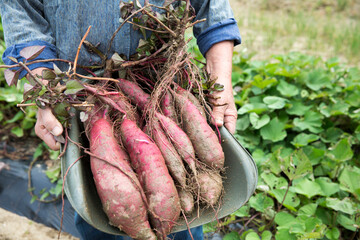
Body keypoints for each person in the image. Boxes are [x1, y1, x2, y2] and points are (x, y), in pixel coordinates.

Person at [0, 1, 241, 239]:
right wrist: (46, 89)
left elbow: (212, 9)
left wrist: (220, 78)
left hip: (161, 79)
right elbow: (22, 12)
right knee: (97, 212)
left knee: (186, 218)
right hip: (85, 101)